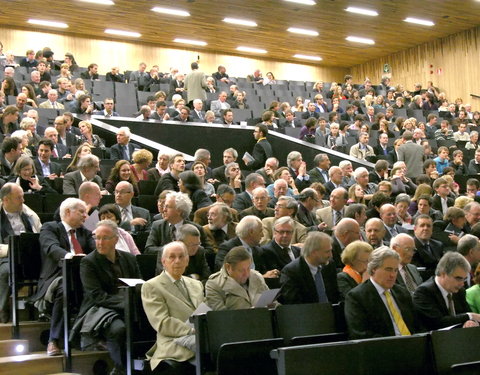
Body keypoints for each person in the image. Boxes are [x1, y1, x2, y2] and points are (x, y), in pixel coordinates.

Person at [74, 220, 140, 374]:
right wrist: (125, 303)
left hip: (128, 304)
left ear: (116, 239)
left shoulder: (129, 258)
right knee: (119, 329)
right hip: (100, 309)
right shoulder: (88, 262)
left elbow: (138, 285)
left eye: (105, 238)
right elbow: (97, 296)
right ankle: (121, 368)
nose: (99, 242)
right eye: (97, 238)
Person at [34, 198, 95, 356]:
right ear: (68, 212)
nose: (85, 216)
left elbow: (95, 251)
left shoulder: (85, 232)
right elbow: (51, 248)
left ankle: (89, 336)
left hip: (82, 277)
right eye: (81, 212)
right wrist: (71, 257)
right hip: (56, 277)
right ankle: (53, 339)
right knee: (65, 288)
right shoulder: (50, 228)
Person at [142, 241, 204, 375]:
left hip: (201, 340)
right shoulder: (152, 286)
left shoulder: (197, 284)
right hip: (174, 343)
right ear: (164, 262)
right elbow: (163, 323)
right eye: (172, 257)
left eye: (181, 257)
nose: (177, 261)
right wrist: (193, 330)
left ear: (187, 261)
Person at [345, 247, 418, 339]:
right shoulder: (357, 297)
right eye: (388, 269)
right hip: (383, 347)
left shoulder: (402, 292)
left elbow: (417, 325)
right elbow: (360, 334)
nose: (393, 275)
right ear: (373, 269)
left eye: (395, 270)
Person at [0, 183, 41, 323]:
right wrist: (11, 249)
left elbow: (38, 232)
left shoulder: (28, 214)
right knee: (6, 271)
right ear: (6, 200)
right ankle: (2, 311)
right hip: (6, 257)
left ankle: (39, 308)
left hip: (29, 255)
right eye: (19, 198)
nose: (23, 201)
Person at [413, 252, 480, 330]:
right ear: (443, 274)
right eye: (458, 278)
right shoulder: (424, 292)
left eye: (464, 279)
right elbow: (438, 322)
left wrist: (470, 321)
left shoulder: (460, 291)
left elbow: (464, 315)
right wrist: (469, 316)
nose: (462, 284)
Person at [279, 231, 340, 305]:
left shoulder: (329, 265)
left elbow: (335, 294)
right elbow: (294, 304)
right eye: (327, 252)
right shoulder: (291, 272)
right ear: (314, 252)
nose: (331, 255)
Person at [206, 246, 269, 310]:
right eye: (241, 270)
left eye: (248, 268)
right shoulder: (214, 285)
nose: (246, 274)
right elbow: (220, 316)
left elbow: (272, 302)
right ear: (228, 267)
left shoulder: (257, 277)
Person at [145, 191, 209, 254]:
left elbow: (209, 251)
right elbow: (148, 249)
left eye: (167, 207)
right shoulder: (157, 226)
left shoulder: (196, 228)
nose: (164, 210)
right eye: (164, 206)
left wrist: (190, 250)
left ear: (179, 211)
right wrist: (172, 250)